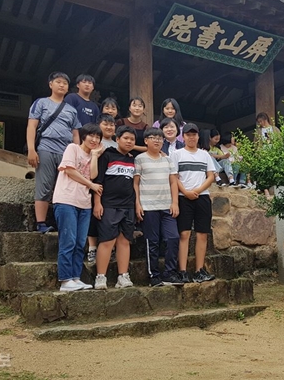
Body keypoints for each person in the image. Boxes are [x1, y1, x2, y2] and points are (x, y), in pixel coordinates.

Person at [26, 71, 81, 233]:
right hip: (46, 148)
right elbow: (32, 126)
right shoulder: (41, 103)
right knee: (44, 185)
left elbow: (75, 134)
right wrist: (31, 149)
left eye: (64, 83)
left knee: (64, 187)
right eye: (58, 82)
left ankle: (61, 222)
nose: (62, 85)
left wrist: (76, 154)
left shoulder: (71, 110)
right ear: (50, 84)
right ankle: (41, 223)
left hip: (66, 151)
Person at [53, 124, 103, 291]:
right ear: (83, 136)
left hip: (84, 203)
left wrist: (95, 156)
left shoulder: (93, 154)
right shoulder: (72, 148)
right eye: (91, 136)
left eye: (98, 138)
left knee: (80, 242)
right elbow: (69, 170)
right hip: (66, 199)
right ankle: (65, 280)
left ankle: (75, 277)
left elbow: (94, 175)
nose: (94, 140)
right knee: (68, 240)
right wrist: (91, 185)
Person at [134, 128, 183, 287]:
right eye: (152, 137)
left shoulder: (168, 160)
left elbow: (173, 182)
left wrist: (175, 202)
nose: (157, 140)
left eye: (160, 138)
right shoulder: (140, 159)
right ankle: (153, 275)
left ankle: (169, 273)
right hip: (148, 207)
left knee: (173, 237)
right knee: (152, 241)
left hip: (167, 206)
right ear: (146, 140)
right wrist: (138, 204)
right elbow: (135, 183)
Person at [92, 125, 137, 290]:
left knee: (124, 241)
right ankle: (100, 277)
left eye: (132, 139)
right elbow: (99, 181)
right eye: (125, 138)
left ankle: (123, 276)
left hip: (128, 206)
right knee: (107, 241)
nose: (129, 141)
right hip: (109, 205)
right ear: (117, 139)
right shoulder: (107, 155)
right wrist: (97, 203)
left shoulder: (133, 159)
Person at [171, 123, 216, 283]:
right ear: (183, 137)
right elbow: (174, 177)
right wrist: (186, 192)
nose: (191, 137)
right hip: (184, 198)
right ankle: (182, 270)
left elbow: (211, 176)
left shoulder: (205, 155)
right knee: (184, 234)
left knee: (202, 234)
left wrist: (197, 191)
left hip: (202, 197)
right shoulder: (177, 154)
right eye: (188, 134)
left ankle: (199, 270)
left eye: (194, 134)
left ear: (198, 136)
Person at [85, 113, 118, 263]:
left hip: (111, 186)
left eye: (112, 125)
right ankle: (92, 248)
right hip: (94, 181)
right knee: (94, 214)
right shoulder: (95, 142)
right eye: (105, 124)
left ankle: (109, 249)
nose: (109, 127)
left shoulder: (117, 144)